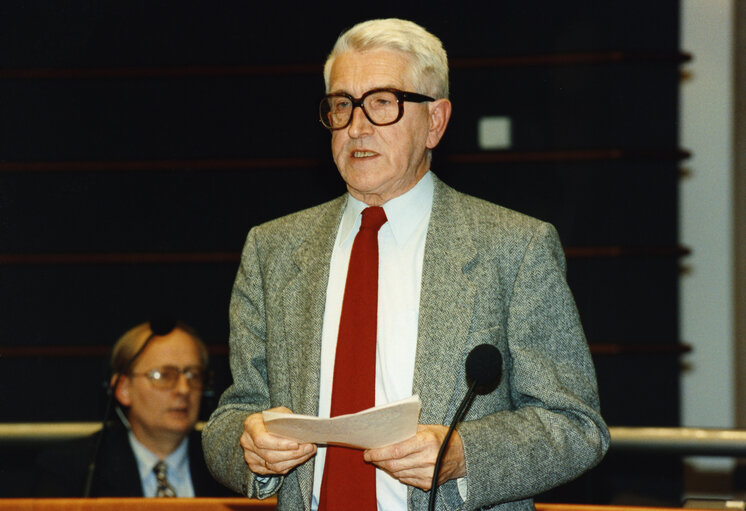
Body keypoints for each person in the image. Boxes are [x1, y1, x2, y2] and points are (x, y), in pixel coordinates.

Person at [202, 18, 609, 510]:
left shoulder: (515, 247)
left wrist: (465, 454)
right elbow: (233, 414)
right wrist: (249, 447)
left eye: (382, 103)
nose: (356, 126)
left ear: (434, 121)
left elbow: (575, 424)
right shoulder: (273, 249)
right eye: (341, 105)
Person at [35, 321, 235, 497]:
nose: (184, 389)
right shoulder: (75, 469)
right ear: (123, 389)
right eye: (164, 375)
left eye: (193, 375)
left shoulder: (229, 464)